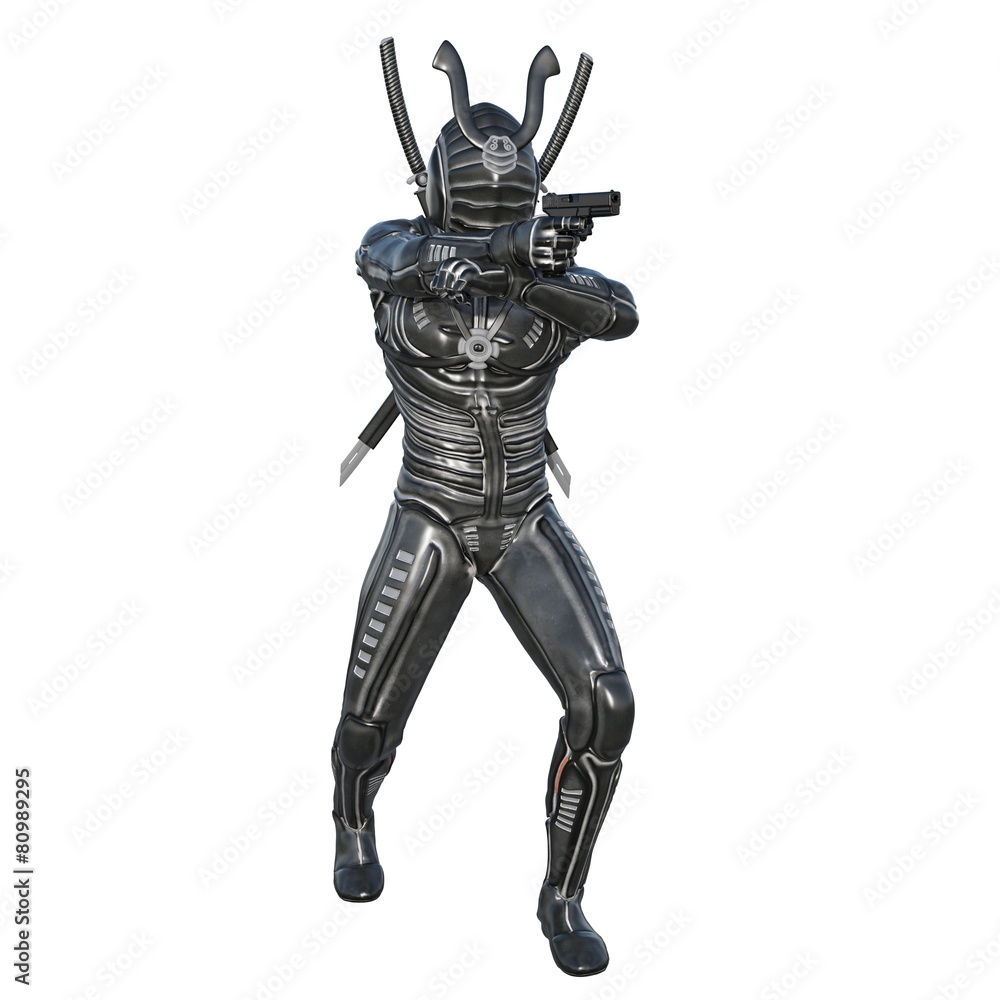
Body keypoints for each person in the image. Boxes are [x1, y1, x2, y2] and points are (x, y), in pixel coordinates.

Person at [332, 39, 639, 977]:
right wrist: (495, 254)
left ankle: (562, 897)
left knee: (606, 704)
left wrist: (531, 274)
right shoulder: (402, 252)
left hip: (523, 519)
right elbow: (387, 256)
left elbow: (619, 312)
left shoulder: (550, 290)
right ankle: (352, 816)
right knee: (367, 720)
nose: (500, 214)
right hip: (430, 507)